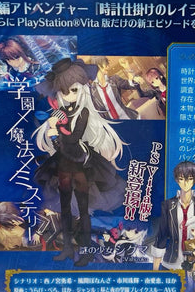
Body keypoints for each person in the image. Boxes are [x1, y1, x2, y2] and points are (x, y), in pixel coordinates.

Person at [33, 58, 126, 267]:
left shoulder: (83, 112)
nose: (69, 95)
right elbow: (60, 145)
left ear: (82, 90)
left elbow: (74, 138)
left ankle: (86, 251)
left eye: (74, 90)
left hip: (81, 166)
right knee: (65, 209)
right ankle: (67, 248)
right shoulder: (60, 113)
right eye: (64, 92)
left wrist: (57, 130)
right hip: (63, 166)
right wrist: (53, 133)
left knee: (83, 211)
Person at [152, 161, 195, 270]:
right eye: (181, 179)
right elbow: (162, 235)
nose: (185, 183)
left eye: (190, 178)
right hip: (171, 262)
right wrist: (155, 270)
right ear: (177, 180)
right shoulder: (167, 205)